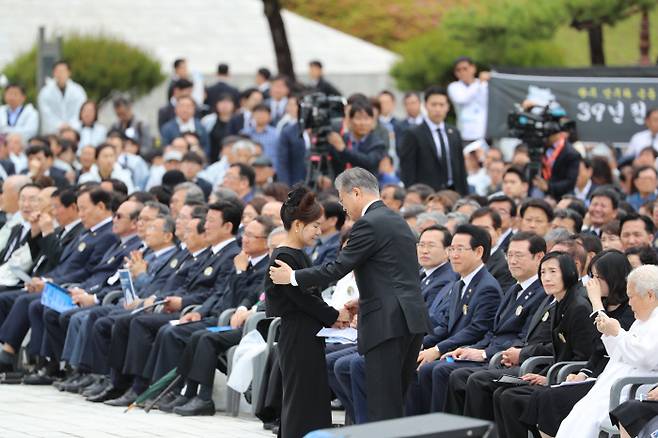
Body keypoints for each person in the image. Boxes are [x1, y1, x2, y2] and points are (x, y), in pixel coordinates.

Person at [270, 168, 429, 423]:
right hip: (410, 319)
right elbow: (395, 275)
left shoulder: (369, 222)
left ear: (356, 192)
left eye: (343, 200)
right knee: (395, 399)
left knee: (381, 403)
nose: (343, 208)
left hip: (387, 322)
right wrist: (365, 300)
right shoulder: (397, 219)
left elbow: (338, 267)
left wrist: (293, 277)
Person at [521, 249, 635, 438]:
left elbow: (614, 347)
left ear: (613, 278)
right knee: (541, 397)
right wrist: (583, 373)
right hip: (596, 376)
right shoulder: (605, 307)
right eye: (592, 276)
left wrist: (596, 302)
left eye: (599, 277)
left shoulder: (628, 310)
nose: (593, 282)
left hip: (614, 380)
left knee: (551, 398)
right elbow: (596, 352)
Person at [265, 185, 349, 437]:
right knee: (302, 396)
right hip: (297, 332)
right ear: (299, 225)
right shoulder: (284, 256)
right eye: (314, 225)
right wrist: (335, 316)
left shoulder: (298, 254)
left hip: (307, 331)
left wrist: (334, 315)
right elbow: (302, 298)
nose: (318, 231)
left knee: (309, 394)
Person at [491, 251, 596, 438]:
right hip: (556, 372)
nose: (546, 278)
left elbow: (583, 357)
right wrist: (543, 375)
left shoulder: (579, 306)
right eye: (543, 272)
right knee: (501, 392)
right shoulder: (558, 302)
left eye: (553, 272)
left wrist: (550, 378)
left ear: (569, 272)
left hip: (573, 379)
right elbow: (559, 352)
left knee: (510, 398)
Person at [556, 264, 658, 437]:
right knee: (577, 417)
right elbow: (619, 354)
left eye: (632, 297)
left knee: (588, 419)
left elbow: (646, 357)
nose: (629, 302)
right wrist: (611, 334)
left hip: (635, 386)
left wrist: (617, 333)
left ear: (650, 295)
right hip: (613, 382)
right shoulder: (641, 320)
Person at [400, 86, 468, 195]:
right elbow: (408, 171)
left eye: (441, 105)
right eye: (434, 105)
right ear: (426, 105)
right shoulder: (413, 134)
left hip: (454, 193)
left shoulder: (454, 132)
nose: (438, 109)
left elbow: (461, 168)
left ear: (448, 107)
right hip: (427, 194)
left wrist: (465, 194)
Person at [326, 100, 386, 177]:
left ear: (372, 121)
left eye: (366, 118)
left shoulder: (378, 143)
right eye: (358, 118)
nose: (362, 123)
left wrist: (344, 150)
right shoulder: (343, 139)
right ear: (350, 120)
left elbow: (368, 162)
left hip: (367, 186)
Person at [37, 61, 87, 135]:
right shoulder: (45, 92)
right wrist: (59, 125)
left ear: (69, 73)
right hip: (53, 132)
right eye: (58, 71)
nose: (60, 74)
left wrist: (71, 125)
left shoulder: (78, 91)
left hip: (74, 131)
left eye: (63, 71)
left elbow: (81, 110)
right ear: (53, 73)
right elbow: (46, 113)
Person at [447, 56, 489, 144]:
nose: (462, 72)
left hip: (484, 134)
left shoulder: (485, 84)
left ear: (473, 68)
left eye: (465, 68)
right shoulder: (454, 87)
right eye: (458, 70)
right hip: (465, 135)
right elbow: (462, 99)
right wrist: (479, 83)